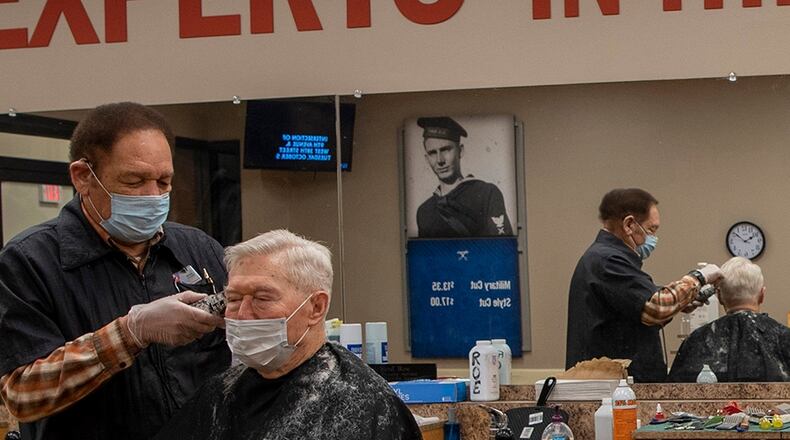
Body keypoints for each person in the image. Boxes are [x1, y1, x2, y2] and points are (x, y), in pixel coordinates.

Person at [0, 102, 230, 440]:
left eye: (164, 182)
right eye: (134, 181)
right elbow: (23, 396)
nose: (153, 197)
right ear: (83, 177)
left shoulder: (198, 249)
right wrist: (129, 333)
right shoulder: (29, 262)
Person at [154, 230, 422, 440]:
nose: (243, 315)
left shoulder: (363, 404)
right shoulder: (219, 395)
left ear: (316, 307)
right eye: (234, 299)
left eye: (262, 298)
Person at [565, 188, 722, 382]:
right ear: (629, 224)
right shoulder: (607, 261)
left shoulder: (605, 259)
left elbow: (640, 312)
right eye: (651, 229)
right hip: (612, 385)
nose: (654, 238)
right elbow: (656, 306)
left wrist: (684, 301)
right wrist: (698, 277)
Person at [668, 257, 790, 382]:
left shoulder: (696, 340)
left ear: (719, 296)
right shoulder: (783, 337)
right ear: (762, 295)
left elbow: (673, 392)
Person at [415, 116, 513, 238]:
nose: (440, 160)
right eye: (432, 153)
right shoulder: (424, 211)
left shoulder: (486, 193)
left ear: (460, 151)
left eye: (445, 150)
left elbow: (503, 249)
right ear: (427, 159)